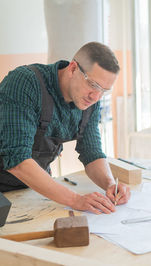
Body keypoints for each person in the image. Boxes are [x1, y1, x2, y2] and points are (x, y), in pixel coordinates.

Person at [0, 42, 131, 214]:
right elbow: (17, 159)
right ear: (73, 68)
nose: (96, 97)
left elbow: (91, 152)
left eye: (104, 91)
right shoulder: (25, 83)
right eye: (93, 85)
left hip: (33, 190)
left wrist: (110, 185)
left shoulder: (90, 101)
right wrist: (75, 199)